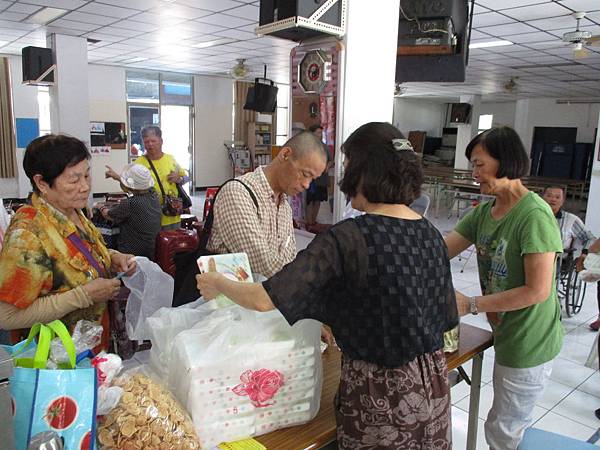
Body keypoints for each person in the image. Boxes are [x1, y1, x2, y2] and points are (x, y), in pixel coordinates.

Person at [197, 122, 458, 449]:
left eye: (348, 167)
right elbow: (444, 314)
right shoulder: (431, 234)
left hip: (379, 396)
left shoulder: (350, 237)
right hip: (431, 387)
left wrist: (219, 282)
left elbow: (266, 298)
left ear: (363, 172)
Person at [444, 126, 563, 450]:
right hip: (505, 329)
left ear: (505, 161)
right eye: (473, 165)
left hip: (529, 337)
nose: (474, 173)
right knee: (501, 422)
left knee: (504, 430)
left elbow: (537, 291)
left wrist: (471, 304)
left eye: (480, 164)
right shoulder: (486, 212)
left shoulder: (534, 215)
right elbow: (441, 250)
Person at [0, 134, 136, 349]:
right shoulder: (27, 235)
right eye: (74, 180)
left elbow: (77, 254)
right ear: (42, 183)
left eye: (87, 176)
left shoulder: (73, 211)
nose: (85, 187)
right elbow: (7, 316)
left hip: (92, 347)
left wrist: (112, 258)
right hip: (58, 363)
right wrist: (83, 296)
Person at [207, 130, 327, 278]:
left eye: (312, 179)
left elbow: (289, 260)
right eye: (305, 174)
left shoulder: (284, 207)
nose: (307, 185)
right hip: (225, 298)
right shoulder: (237, 193)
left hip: (262, 297)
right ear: (285, 155)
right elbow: (263, 267)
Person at [106, 125, 188, 230]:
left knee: (172, 244)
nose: (150, 145)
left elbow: (186, 177)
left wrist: (179, 179)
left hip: (173, 214)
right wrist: (118, 178)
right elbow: (129, 188)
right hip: (150, 216)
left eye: (153, 141)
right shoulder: (138, 163)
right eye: (146, 142)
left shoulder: (170, 159)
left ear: (161, 141)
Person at [542, 185, 599, 329]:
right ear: (542, 197)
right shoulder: (533, 215)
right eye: (549, 195)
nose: (552, 199)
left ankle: (549, 309)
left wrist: (584, 254)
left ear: (563, 201)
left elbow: (589, 238)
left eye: (557, 197)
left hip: (559, 259)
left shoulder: (570, 219)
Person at [100, 164, 161, 260]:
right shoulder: (154, 195)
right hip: (151, 250)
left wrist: (101, 208)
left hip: (131, 253)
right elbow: (136, 186)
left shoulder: (130, 203)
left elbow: (108, 215)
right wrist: (117, 177)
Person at [305, 124, 332, 225]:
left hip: (322, 177)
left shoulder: (324, 146)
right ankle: (308, 221)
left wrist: (327, 166)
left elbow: (330, 160)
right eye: (318, 133)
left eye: (321, 133)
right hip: (311, 177)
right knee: (310, 199)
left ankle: (313, 220)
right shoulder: (308, 146)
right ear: (312, 133)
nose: (320, 135)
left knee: (318, 199)